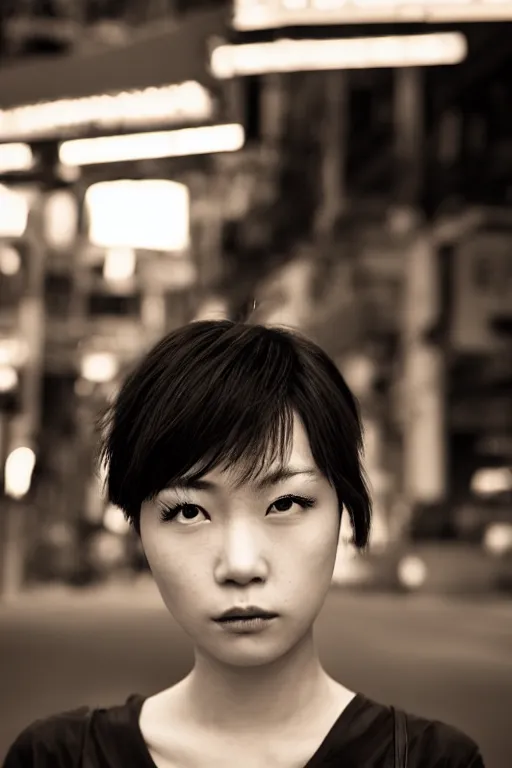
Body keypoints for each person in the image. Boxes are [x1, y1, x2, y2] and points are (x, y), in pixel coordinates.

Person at [4, 320, 485, 768]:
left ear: (343, 507)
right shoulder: (58, 758)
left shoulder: (432, 760)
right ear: (140, 530)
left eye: (285, 504)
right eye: (189, 511)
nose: (240, 564)